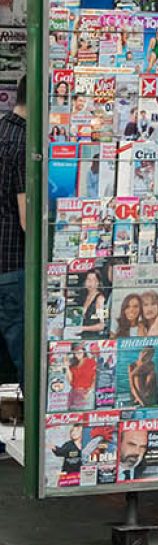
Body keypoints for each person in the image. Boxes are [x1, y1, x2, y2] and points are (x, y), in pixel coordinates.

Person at [0, 75, 27, 435]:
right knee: (24, 354)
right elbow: (27, 218)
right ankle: (29, 431)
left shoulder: (3, 129)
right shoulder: (24, 143)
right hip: (15, 266)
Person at [67, 343, 97, 411]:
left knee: (84, 415)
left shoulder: (90, 362)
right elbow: (71, 381)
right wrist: (66, 367)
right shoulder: (73, 365)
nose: (78, 353)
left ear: (83, 351)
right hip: (74, 393)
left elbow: (95, 378)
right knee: (73, 414)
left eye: (80, 351)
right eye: (76, 352)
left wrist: (89, 392)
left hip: (86, 393)